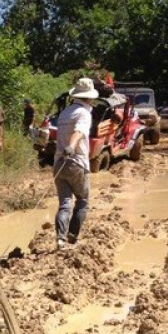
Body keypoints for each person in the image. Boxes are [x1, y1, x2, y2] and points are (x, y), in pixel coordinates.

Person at [53, 76, 99, 250]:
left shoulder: (65, 113)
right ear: (89, 97)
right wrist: (71, 146)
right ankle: (72, 237)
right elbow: (79, 132)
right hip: (76, 162)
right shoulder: (84, 113)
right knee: (82, 201)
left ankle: (60, 239)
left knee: (65, 203)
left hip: (59, 163)